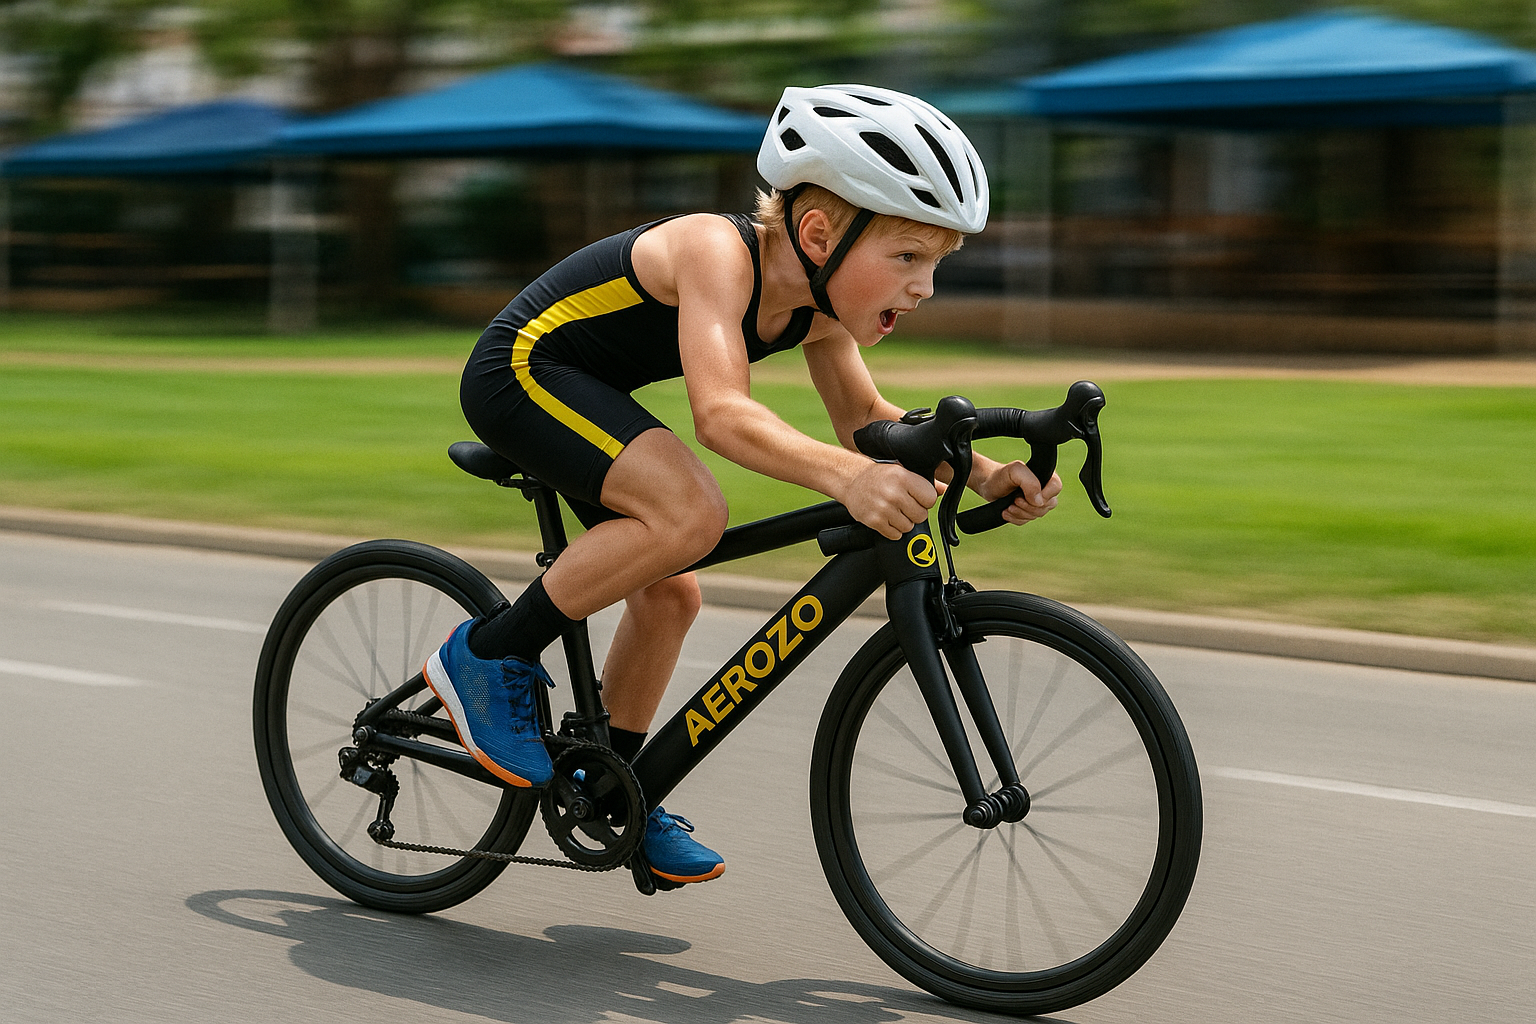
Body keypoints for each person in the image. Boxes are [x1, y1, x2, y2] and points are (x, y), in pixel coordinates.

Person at [426, 84, 1063, 887]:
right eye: (907, 257)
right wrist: (852, 479)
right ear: (819, 232)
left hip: (592, 390)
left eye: (936, 262)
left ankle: (611, 788)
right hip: (521, 371)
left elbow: (865, 419)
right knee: (691, 513)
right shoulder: (714, 252)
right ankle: (487, 656)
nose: (925, 286)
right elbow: (722, 414)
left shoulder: (818, 309)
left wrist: (986, 474)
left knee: (671, 593)